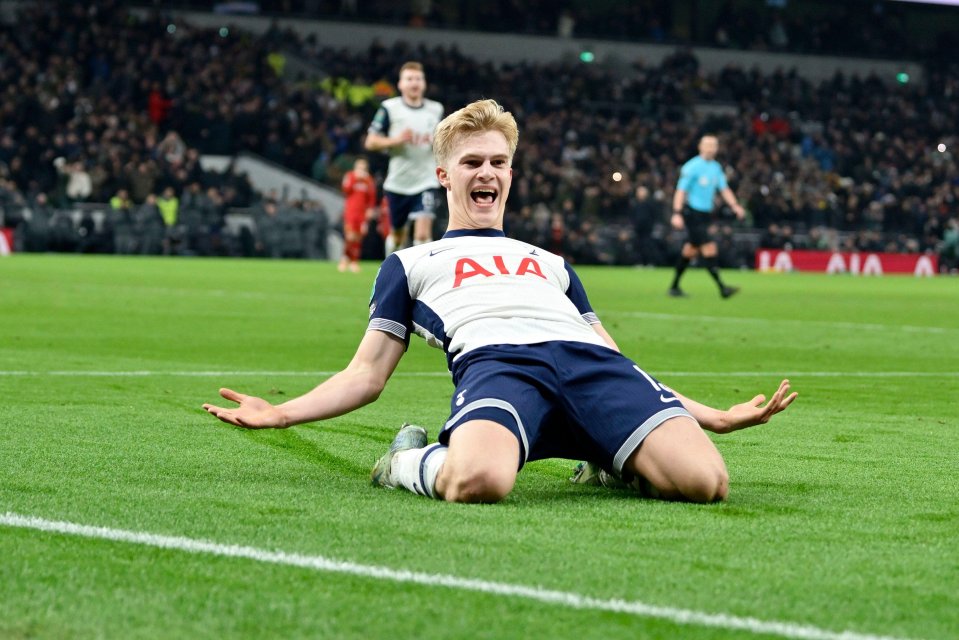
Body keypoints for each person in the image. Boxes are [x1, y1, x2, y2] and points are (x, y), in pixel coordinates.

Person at [203, 100, 797, 505]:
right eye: (471, 163)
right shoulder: (411, 263)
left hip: (593, 369)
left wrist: (711, 416)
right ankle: (406, 461)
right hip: (500, 367)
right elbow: (366, 374)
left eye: (498, 162)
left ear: (511, 173)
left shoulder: (552, 263)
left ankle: (607, 455)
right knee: (480, 481)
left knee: (707, 483)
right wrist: (281, 413)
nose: (486, 173)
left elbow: (616, 356)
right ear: (443, 175)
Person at [363, 61, 444, 254]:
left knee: (423, 235)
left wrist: (437, 142)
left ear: (424, 83)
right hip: (398, 182)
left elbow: (445, 141)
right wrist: (396, 140)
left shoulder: (436, 109)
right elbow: (370, 142)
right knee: (398, 235)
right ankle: (391, 271)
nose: (414, 83)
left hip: (427, 180)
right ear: (400, 84)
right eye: (409, 79)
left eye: (418, 79)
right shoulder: (389, 108)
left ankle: (420, 280)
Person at [669, 134, 746, 298]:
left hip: (705, 214)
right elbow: (681, 190)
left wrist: (735, 206)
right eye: (708, 145)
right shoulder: (691, 167)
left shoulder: (716, 168)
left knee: (690, 250)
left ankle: (674, 287)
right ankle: (722, 288)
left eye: (714, 145)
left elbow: (724, 189)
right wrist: (676, 213)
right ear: (700, 147)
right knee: (709, 248)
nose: (712, 148)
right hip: (692, 213)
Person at [338, 157, 377, 273]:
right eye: (359, 167)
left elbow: (371, 197)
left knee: (359, 237)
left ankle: (354, 261)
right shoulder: (350, 176)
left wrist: (370, 209)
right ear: (355, 168)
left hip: (362, 213)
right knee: (350, 236)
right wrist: (355, 179)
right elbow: (345, 189)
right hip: (350, 211)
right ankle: (345, 259)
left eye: (363, 168)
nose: (361, 170)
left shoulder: (369, 180)